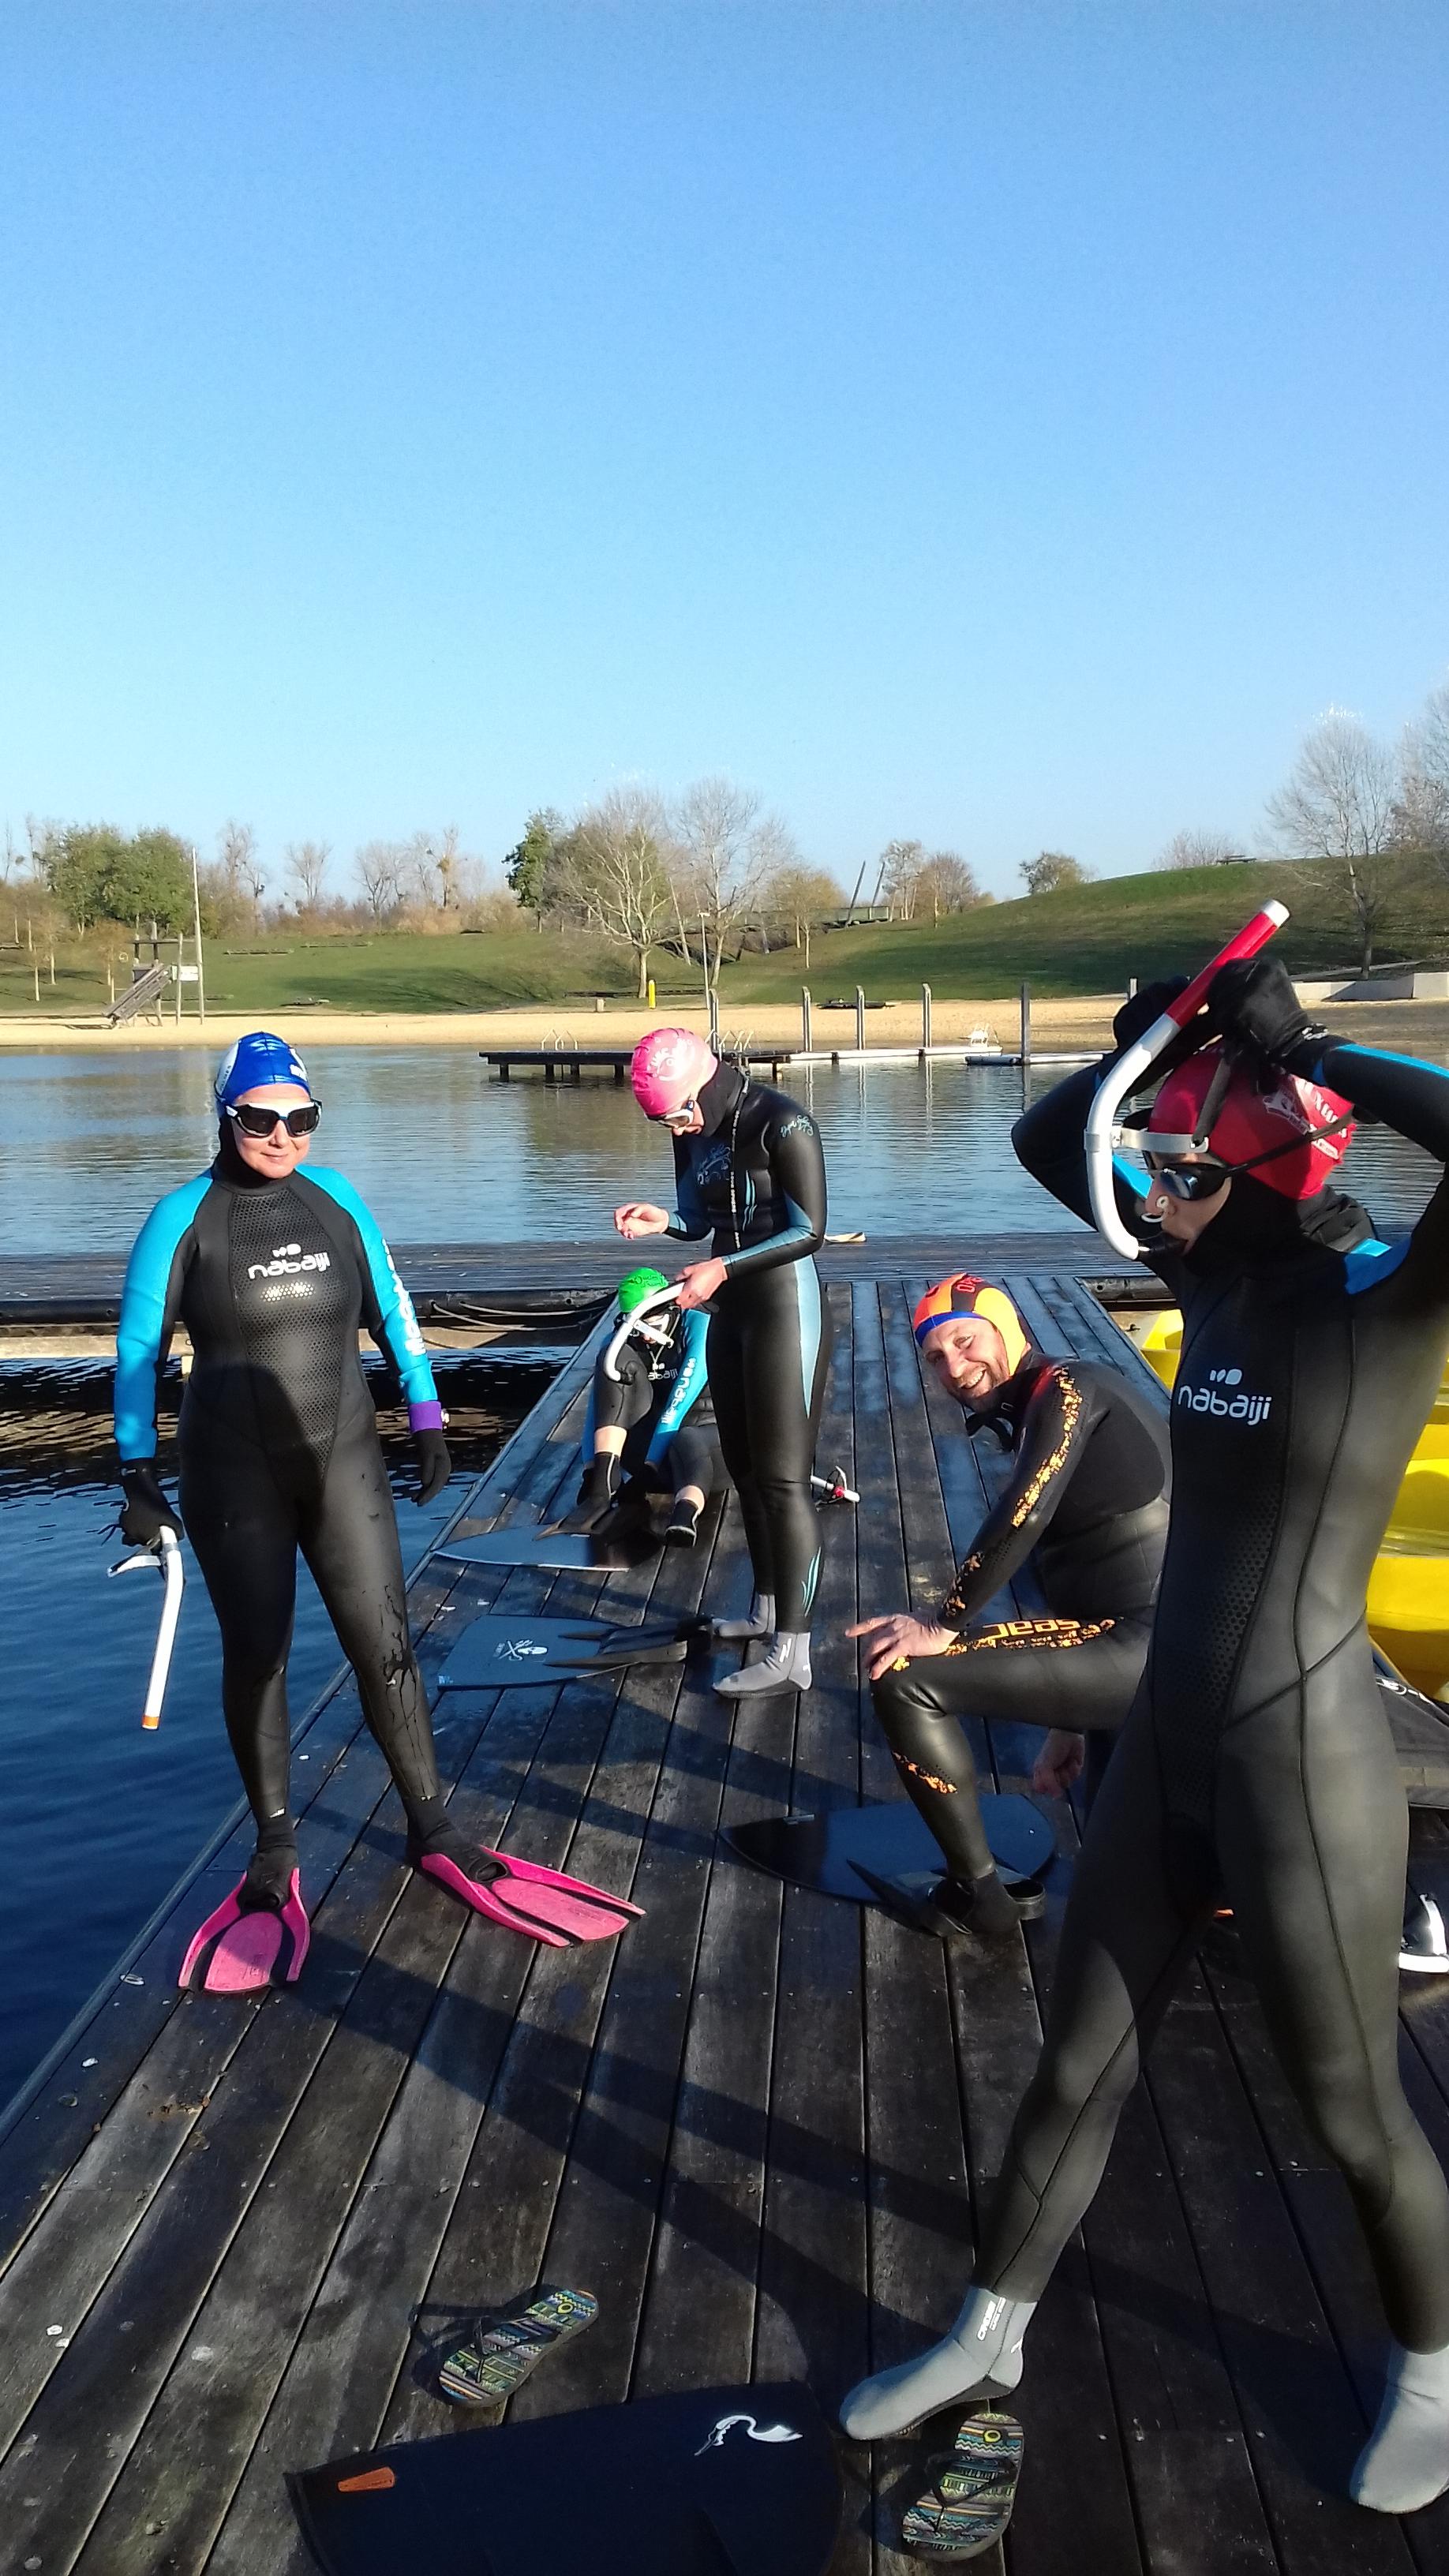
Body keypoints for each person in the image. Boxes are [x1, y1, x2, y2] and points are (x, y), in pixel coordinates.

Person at [839, 960, 1449, 2519]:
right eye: (1161, 1167)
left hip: (1302, 1767)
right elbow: (1056, 1139)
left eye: (1182, 1168)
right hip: (1168, 1744)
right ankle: (988, 2335)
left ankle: (1435, 2367)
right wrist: (1163, 1037)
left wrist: (1312, 1049)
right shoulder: (1213, 1280)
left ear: (1271, 1171)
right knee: (1075, 2063)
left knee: (1348, 2111)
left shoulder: (1384, 1305)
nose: (1151, 1194)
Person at [114, 1031, 631, 1981]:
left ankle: (432, 1825)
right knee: (257, 1656)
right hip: (234, 1476)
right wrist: (137, 1477)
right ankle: (273, 1852)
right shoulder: (181, 1217)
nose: (282, 1136)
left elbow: (392, 1307)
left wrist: (427, 1416)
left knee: (383, 1643)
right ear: (226, 1116)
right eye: (260, 1118)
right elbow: (138, 1350)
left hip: (345, 1458)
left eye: (300, 1118)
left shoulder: (338, 1199)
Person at [847, 1271, 1170, 1938]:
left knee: (902, 1674)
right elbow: (1070, 1570)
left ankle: (980, 1897)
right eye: (936, 1357)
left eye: (965, 1341)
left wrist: (940, 1623)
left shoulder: (1072, 1388)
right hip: (1138, 1648)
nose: (955, 1367)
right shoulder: (1041, 1405)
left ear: (1010, 1329)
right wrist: (1068, 1719)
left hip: (1152, 1651)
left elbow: (1023, 1517)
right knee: (1125, 1861)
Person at [614, 1027, 830, 1696]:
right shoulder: (688, 1129)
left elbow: (810, 1231)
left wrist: (721, 1268)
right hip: (728, 1311)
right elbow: (698, 1217)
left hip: (783, 1309)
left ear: (707, 1082)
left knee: (785, 1481)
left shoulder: (784, 1124)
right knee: (742, 1469)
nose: (680, 1125)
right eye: (666, 1119)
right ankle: (766, 1610)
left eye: (682, 1111)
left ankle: (794, 1649)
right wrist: (664, 1224)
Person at [560, 1264, 724, 1545]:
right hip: (654, 1460)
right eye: (638, 1328)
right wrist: (593, 1475)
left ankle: (685, 1514)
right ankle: (605, 1484)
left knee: (686, 1438)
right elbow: (597, 1410)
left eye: (654, 1325)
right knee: (613, 1357)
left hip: (710, 1446)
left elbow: (678, 1405)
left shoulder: (698, 1325)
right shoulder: (621, 1340)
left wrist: (647, 1470)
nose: (647, 1336)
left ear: (672, 1308)